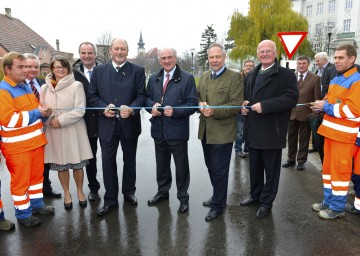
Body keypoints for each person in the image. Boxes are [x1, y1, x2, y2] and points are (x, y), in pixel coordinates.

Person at [240, 40, 298, 219]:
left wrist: (265, 106)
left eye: (268, 51)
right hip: (253, 129)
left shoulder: (286, 75)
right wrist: (244, 105)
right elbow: (247, 96)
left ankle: (266, 202)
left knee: (271, 170)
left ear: (275, 52)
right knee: (255, 168)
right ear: (257, 53)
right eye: (261, 51)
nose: (264, 54)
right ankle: (255, 195)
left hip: (272, 130)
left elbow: (291, 98)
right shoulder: (252, 74)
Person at [88, 38, 146, 217]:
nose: (120, 52)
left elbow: (141, 96)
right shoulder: (98, 71)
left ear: (127, 52)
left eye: (123, 49)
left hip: (129, 125)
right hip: (107, 125)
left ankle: (129, 192)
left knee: (130, 161)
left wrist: (132, 109)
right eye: (116, 49)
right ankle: (110, 200)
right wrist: (102, 108)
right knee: (107, 163)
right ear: (111, 51)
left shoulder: (137, 71)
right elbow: (92, 96)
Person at [0, 52, 54, 227]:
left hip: (35, 143)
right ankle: (23, 214)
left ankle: (37, 205)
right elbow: (10, 120)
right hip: (18, 148)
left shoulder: (24, 86)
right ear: (8, 69)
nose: (25, 71)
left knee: (36, 178)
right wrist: (38, 113)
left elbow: (34, 111)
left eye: (26, 67)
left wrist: (43, 113)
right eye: (20, 67)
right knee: (21, 182)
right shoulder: (3, 91)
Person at [311, 44, 360, 220]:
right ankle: (329, 201)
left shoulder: (357, 80)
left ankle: (337, 208)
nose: (336, 61)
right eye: (335, 57)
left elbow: (353, 110)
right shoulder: (336, 79)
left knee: (340, 172)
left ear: (352, 59)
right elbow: (329, 100)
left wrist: (326, 106)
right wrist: (320, 105)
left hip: (345, 137)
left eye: (341, 58)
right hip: (331, 133)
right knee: (328, 170)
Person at [145, 48, 197, 213]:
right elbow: (146, 99)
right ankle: (162, 192)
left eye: (170, 57)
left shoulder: (187, 78)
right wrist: (150, 107)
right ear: (160, 60)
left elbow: (192, 105)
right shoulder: (153, 78)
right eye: (163, 58)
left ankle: (183, 197)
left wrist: (175, 111)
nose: (167, 61)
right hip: (158, 131)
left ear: (176, 58)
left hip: (177, 131)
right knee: (162, 166)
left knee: (181, 167)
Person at [41, 55, 93, 211]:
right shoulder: (44, 87)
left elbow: (80, 110)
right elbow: (41, 109)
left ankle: (80, 191)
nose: (60, 70)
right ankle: (67, 193)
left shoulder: (76, 85)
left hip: (73, 130)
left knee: (77, 164)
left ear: (68, 68)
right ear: (52, 69)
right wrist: (48, 119)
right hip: (54, 131)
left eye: (63, 67)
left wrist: (61, 120)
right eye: (57, 67)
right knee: (61, 166)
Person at [197, 43, 242, 221]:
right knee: (211, 167)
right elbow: (199, 96)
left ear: (224, 58)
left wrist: (214, 110)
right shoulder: (205, 76)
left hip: (223, 132)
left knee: (220, 170)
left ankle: (219, 205)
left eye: (218, 57)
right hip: (206, 131)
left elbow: (236, 104)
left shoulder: (235, 77)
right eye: (211, 57)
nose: (214, 60)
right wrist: (200, 104)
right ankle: (217, 195)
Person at [24, 53, 61, 198]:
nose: (33, 70)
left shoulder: (42, 84)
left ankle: (45, 188)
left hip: (42, 130)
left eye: (36, 67)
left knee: (43, 163)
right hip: (26, 133)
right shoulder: (18, 86)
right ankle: (28, 196)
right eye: (28, 66)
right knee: (27, 168)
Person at [72, 42, 102, 202]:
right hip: (85, 122)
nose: (87, 56)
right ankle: (93, 188)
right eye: (83, 52)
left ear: (95, 54)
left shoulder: (104, 70)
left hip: (105, 119)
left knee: (109, 158)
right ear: (79, 54)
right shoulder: (72, 73)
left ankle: (115, 189)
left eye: (90, 52)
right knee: (90, 158)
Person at [282, 56, 321, 171]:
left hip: (306, 114)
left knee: (304, 139)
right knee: (291, 138)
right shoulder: (290, 77)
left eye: (304, 63)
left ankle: (301, 161)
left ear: (308, 64)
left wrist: (314, 113)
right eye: (299, 63)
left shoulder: (315, 78)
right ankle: (290, 159)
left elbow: (317, 98)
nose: (301, 66)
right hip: (291, 114)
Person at [309, 52, 334, 154]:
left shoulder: (332, 69)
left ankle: (323, 149)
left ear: (324, 59)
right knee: (316, 123)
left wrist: (324, 100)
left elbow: (327, 86)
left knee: (322, 124)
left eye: (318, 60)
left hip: (326, 101)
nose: (316, 62)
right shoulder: (317, 70)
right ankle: (316, 145)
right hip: (318, 100)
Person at [235, 60, 255, 158]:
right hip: (240, 109)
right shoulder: (238, 78)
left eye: (251, 66)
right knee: (239, 131)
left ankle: (247, 148)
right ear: (243, 67)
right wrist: (240, 106)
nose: (248, 67)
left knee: (250, 130)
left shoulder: (255, 78)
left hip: (252, 109)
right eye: (247, 66)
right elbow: (235, 94)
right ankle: (238, 149)